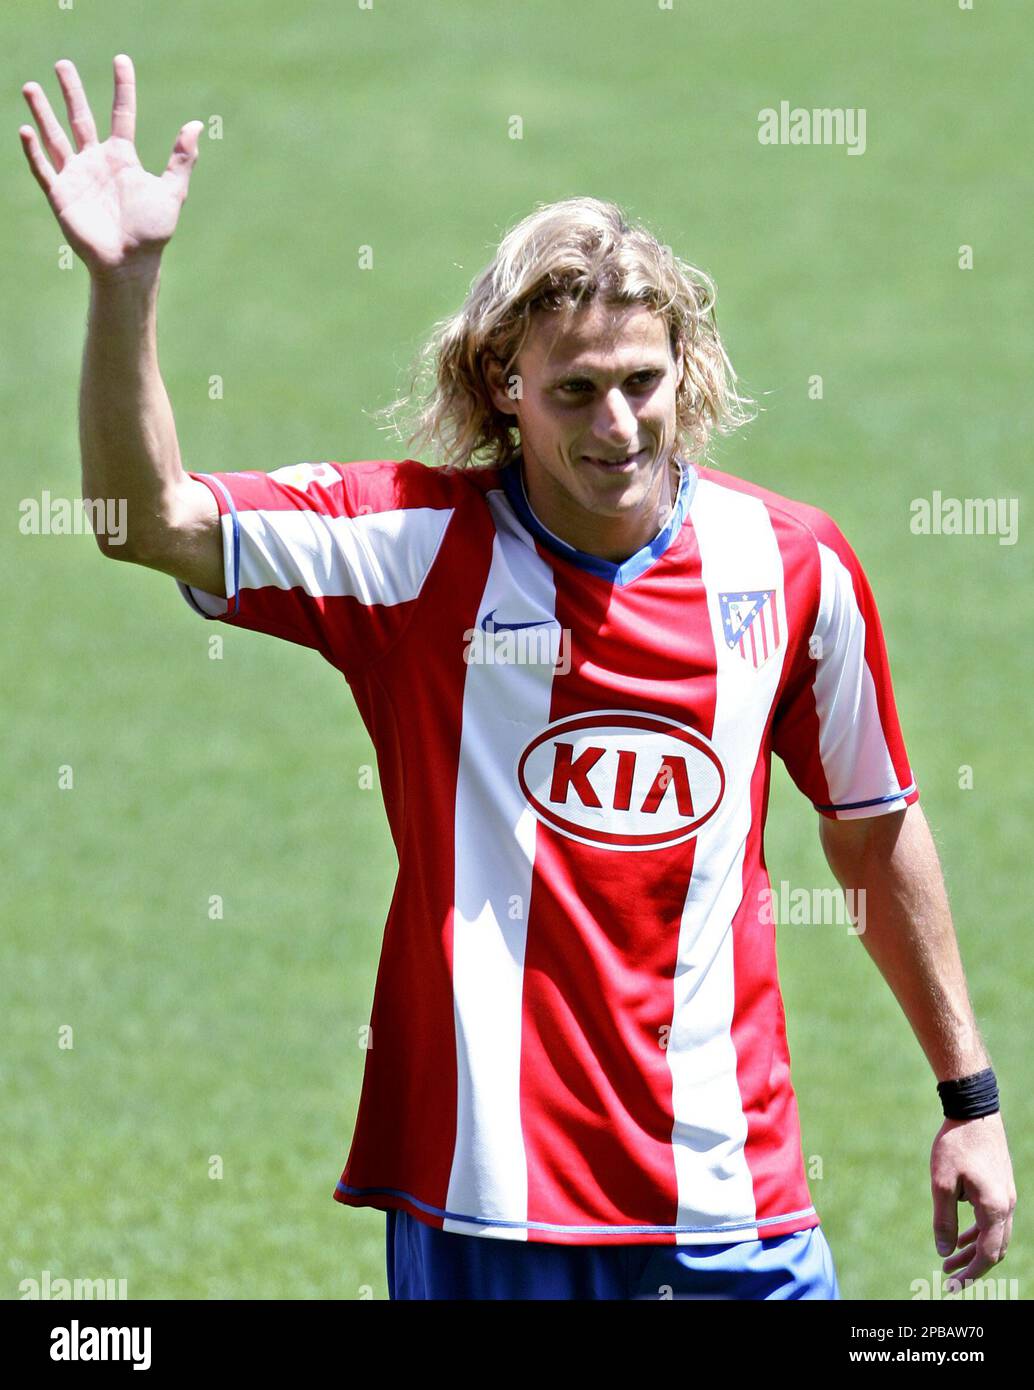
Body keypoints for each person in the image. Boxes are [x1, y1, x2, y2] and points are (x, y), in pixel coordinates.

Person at [20, 53, 1016, 1302]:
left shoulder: (792, 566)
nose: (616, 428)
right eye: (575, 392)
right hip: (486, 1208)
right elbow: (144, 517)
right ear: (505, 387)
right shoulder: (407, 546)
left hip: (728, 1205)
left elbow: (871, 831)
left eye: (642, 384)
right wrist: (126, 289)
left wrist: (966, 1096)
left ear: (685, 370)